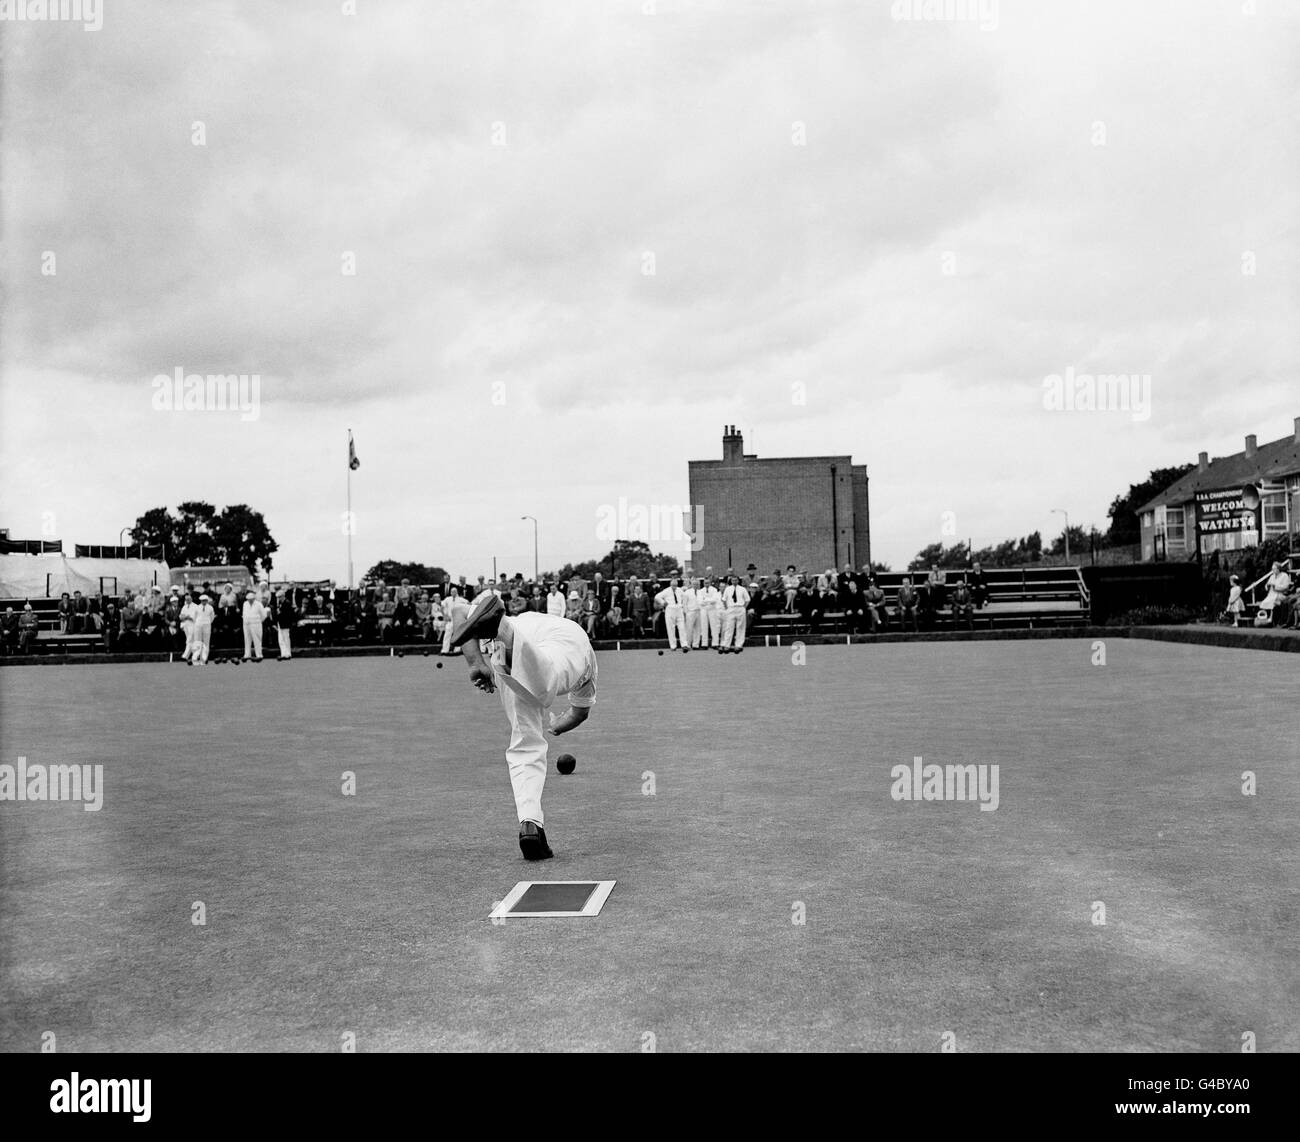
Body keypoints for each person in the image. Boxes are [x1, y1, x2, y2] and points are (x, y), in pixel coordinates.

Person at [450, 592, 598, 861]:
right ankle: (501, 630)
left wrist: (476, 663)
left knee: (525, 743)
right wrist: (557, 727)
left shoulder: (525, 618)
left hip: (509, 644)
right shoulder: (585, 656)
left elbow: (458, 610)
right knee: (547, 682)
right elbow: (579, 713)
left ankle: (530, 824)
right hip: (567, 641)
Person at [720, 574, 750, 653]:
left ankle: (738, 645)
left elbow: (747, 600)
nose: (734, 581)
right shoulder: (728, 589)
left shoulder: (743, 589)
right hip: (731, 608)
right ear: (731, 581)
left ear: (738, 581)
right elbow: (724, 599)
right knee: (729, 627)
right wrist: (727, 608)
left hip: (740, 607)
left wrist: (744, 607)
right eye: (733, 580)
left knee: (740, 627)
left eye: (736, 580)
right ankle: (727, 645)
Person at [656, 577, 688, 651]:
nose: (674, 587)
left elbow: (685, 597)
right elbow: (657, 597)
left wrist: (683, 605)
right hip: (670, 609)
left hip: (679, 609)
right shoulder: (666, 591)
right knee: (671, 628)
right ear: (670, 585)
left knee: (682, 627)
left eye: (675, 585)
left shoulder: (680, 590)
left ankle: (684, 645)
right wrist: (663, 603)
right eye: (673, 585)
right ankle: (673, 646)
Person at [242, 589, 267, 661]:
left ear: (254, 598)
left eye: (251, 599)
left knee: (257, 640)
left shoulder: (259, 604)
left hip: (256, 624)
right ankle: (247, 655)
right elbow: (244, 613)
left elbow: (264, 615)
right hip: (246, 624)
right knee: (247, 640)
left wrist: (258, 621)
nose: (250, 600)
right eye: (248, 599)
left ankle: (259, 655)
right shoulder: (245, 604)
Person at [699, 576, 722, 647]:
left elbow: (714, 599)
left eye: (708, 583)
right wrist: (709, 600)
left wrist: (705, 599)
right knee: (704, 627)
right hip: (703, 610)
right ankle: (704, 644)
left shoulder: (714, 590)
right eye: (705, 583)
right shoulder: (700, 591)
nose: (707, 584)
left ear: (710, 583)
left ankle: (715, 643)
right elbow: (700, 601)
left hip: (712, 610)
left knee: (714, 626)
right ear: (703, 583)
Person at [191, 594, 215, 664]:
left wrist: (207, 622)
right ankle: (196, 658)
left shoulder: (210, 608)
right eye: (202, 601)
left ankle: (204, 659)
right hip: (198, 625)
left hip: (207, 625)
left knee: (206, 642)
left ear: (207, 601)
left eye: (205, 601)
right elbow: (194, 617)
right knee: (198, 642)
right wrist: (198, 623)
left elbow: (212, 617)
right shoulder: (197, 607)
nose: (203, 602)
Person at [273, 587, 295, 660]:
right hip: (280, 623)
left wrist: (280, 613)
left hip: (285, 623)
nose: (278, 598)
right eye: (278, 597)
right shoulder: (280, 603)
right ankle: (283, 653)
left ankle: (288, 654)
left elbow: (289, 614)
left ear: (283, 596)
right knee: (281, 639)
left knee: (286, 638)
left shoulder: (287, 603)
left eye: (279, 597)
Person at [682, 577, 703, 647]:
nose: (696, 585)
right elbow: (684, 604)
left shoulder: (701, 592)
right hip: (690, 612)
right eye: (694, 584)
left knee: (698, 629)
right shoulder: (687, 592)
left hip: (699, 611)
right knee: (689, 629)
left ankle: (696, 645)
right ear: (691, 584)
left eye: (697, 584)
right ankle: (688, 644)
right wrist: (686, 613)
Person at [180, 593, 198, 661]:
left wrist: (187, 617)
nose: (187, 600)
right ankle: (195, 655)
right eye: (186, 599)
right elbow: (181, 617)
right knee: (191, 641)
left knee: (189, 640)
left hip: (193, 625)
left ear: (191, 599)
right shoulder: (184, 607)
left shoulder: (195, 606)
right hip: (186, 625)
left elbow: (193, 617)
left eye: (188, 599)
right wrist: (185, 617)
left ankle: (185, 656)